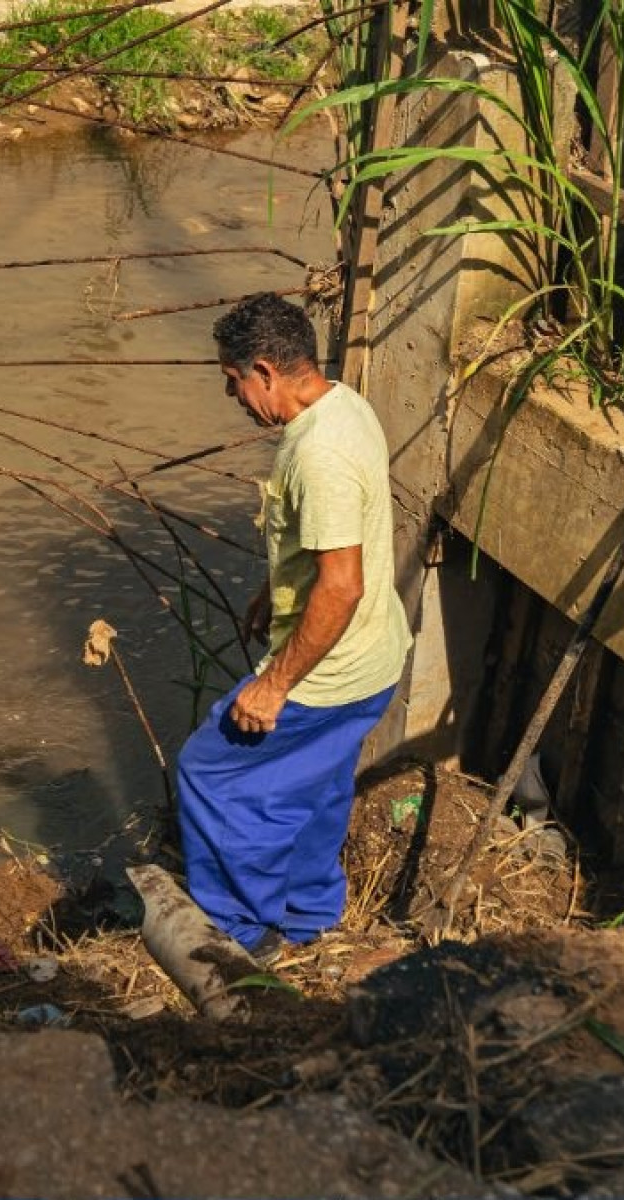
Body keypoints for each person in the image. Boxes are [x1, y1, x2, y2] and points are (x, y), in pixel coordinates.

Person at [175, 293, 411, 966]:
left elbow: (342, 585)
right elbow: (329, 548)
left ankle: (240, 938)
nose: (236, 400)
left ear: (264, 372)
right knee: (316, 781)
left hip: (331, 674)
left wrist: (276, 684)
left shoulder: (319, 455)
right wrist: (272, 592)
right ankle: (309, 915)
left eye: (233, 383)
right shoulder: (345, 404)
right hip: (375, 657)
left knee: (212, 776)